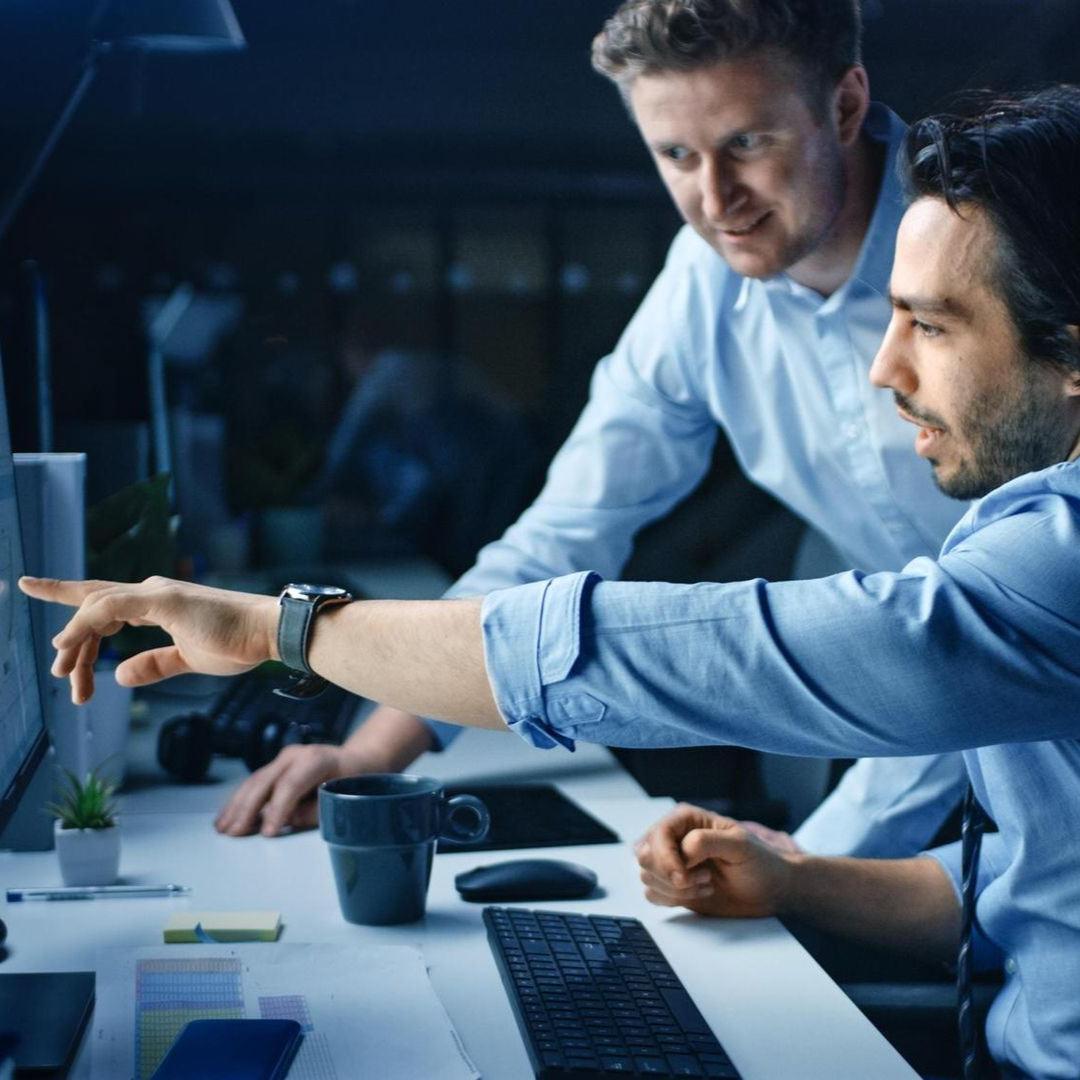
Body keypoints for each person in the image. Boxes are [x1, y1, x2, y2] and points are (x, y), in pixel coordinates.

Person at [23, 84, 1080, 1077]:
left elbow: (735, 653)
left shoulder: (1057, 555)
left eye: (931, 325)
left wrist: (281, 630)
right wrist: (800, 880)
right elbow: (1037, 891)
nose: (884, 368)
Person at [210, 0, 971, 853]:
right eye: (676, 155)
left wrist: (821, 866)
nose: (715, 200)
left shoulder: (995, 242)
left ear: (845, 104)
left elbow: (1004, 618)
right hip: (940, 706)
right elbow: (563, 535)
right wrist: (370, 754)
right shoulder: (705, 282)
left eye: (748, 143)